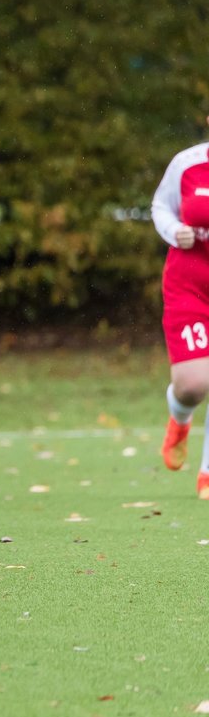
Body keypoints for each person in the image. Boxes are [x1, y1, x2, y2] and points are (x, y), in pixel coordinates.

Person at [153, 120, 209, 498]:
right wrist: (175, 231)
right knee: (193, 385)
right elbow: (160, 206)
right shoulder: (187, 164)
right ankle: (180, 416)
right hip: (190, 286)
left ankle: (207, 474)